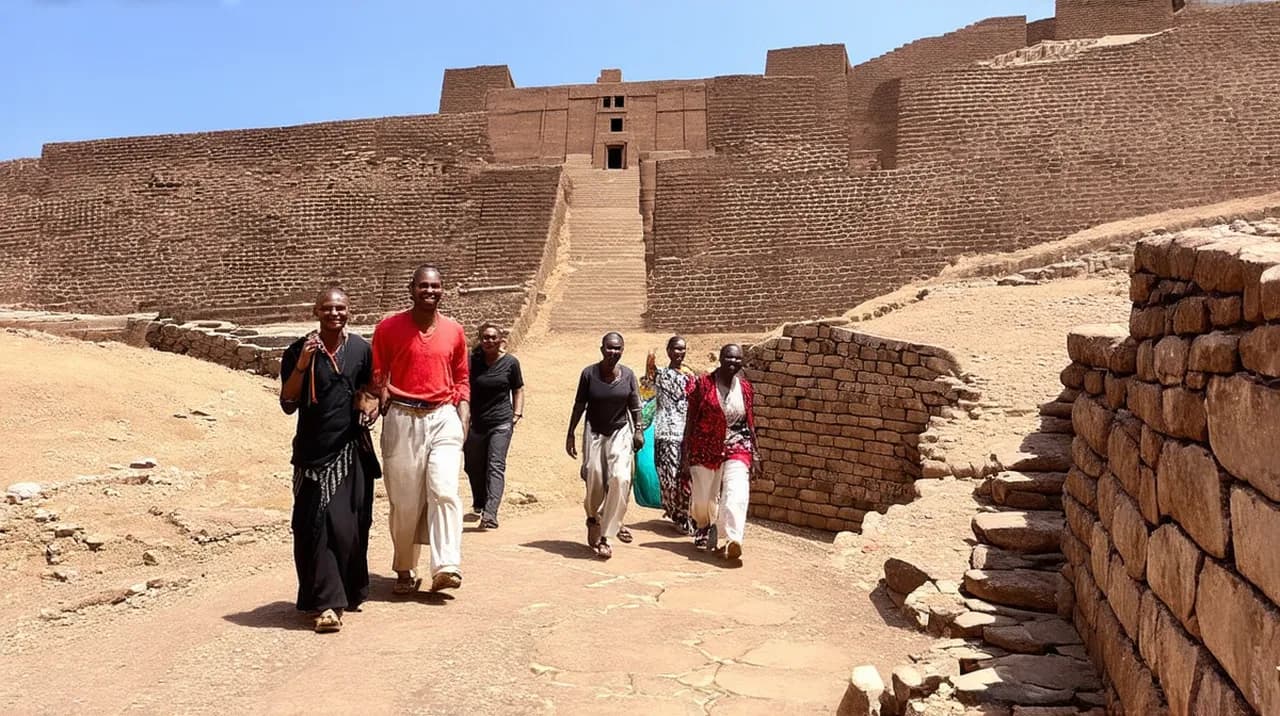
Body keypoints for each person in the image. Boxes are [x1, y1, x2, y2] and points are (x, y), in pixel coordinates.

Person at [279, 287, 381, 633]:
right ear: (316, 311)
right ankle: (326, 605)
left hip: (350, 450)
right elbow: (288, 401)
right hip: (311, 453)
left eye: (340, 308)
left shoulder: (361, 349)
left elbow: (372, 389)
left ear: (348, 312)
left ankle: (347, 589)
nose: (334, 314)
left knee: (347, 526)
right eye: (327, 308)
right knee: (314, 527)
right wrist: (303, 365)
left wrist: (371, 407)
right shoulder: (298, 350)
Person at [372, 265, 470, 595]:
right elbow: (377, 370)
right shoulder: (388, 328)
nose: (430, 291)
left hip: (443, 415)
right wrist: (378, 394)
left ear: (443, 290)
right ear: (411, 289)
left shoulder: (454, 330)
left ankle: (446, 566)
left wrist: (463, 409)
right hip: (402, 417)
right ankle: (404, 566)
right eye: (423, 286)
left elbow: (461, 376)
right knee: (405, 501)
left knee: (444, 489)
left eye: (435, 286)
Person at [565, 332, 644, 559]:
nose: (613, 352)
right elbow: (579, 405)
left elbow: (635, 404)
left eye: (618, 348)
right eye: (609, 348)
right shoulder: (589, 374)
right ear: (602, 349)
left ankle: (606, 536)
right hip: (595, 432)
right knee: (595, 476)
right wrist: (570, 433)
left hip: (620, 431)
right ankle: (593, 517)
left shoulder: (628, 375)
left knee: (621, 478)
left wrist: (638, 430)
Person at [683, 343, 758, 563]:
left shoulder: (745, 388)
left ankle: (733, 540)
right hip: (704, 445)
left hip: (737, 444)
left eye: (737, 359)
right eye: (729, 358)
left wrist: (756, 453)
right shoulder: (703, 385)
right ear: (721, 359)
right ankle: (704, 525)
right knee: (702, 500)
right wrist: (685, 453)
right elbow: (691, 419)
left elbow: (750, 422)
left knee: (737, 492)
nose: (733, 362)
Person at [464, 322, 524, 530]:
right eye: (485, 338)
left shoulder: (510, 363)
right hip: (476, 423)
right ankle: (480, 501)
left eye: (493, 337)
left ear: (501, 340)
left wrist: (516, 414)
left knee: (495, 465)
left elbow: (518, 389)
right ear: (480, 340)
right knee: (472, 465)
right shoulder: (472, 363)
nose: (489, 341)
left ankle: (490, 514)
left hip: (501, 422)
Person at [653, 336, 695, 534]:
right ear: (668, 351)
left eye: (683, 349)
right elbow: (646, 394)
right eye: (676, 349)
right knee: (668, 477)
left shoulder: (690, 376)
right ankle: (672, 510)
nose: (680, 353)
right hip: (664, 433)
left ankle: (683, 515)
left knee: (684, 476)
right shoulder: (659, 374)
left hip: (685, 433)